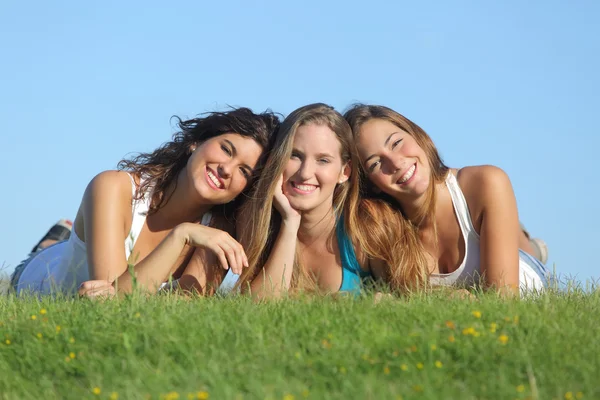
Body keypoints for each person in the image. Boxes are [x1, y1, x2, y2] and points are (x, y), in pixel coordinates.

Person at [11, 107, 280, 297]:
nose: (227, 169)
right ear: (196, 142)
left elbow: (184, 307)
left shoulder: (217, 233)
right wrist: (181, 235)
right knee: (46, 256)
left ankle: (65, 235)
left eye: (244, 171)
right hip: (42, 276)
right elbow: (114, 303)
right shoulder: (114, 187)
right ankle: (53, 242)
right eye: (226, 149)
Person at [344, 104, 549, 295]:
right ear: (370, 184)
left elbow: (502, 300)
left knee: (516, 244)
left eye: (397, 143)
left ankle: (528, 245)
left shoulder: (487, 181)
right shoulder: (380, 227)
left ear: (416, 135)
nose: (396, 162)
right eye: (375, 164)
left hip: (526, 270)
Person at [235, 103, 397, 299]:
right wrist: (289, 222)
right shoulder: (255, 222)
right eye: (294, 155)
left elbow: (404, 300)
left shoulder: (366, 226)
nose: (305, 173)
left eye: (323, 160)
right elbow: (256, 311)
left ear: (344, 172)